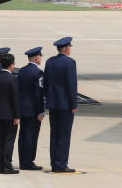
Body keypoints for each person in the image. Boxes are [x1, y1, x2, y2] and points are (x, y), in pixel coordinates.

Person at [44, 37, 78, 173]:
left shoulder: (50, 61)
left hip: (53, 103)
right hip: (65, 105)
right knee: (64, 135)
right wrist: (73, 104)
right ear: (66, 48)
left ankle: (54, 162)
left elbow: (46, 82)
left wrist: (49, 98)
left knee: (55, 134)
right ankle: (61, 164)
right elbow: (71, 85)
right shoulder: (69, 62)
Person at [0, 54, 20, 174]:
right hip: (10, 115)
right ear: (11, 65)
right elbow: (15, 98)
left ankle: (1, 165)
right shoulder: (13, 79)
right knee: (9, 141)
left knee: (0, 140)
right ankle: (7, 165)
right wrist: (17, 115)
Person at [18, 47, 45, 171]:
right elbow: (38, 94)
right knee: (31, 136)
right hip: (32, 109)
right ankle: (28, 161)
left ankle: (23, 160)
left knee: (23, 135)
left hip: (22, 108)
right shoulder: (38, 73)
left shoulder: (22, 71)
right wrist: (41, 111)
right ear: (36, 57)